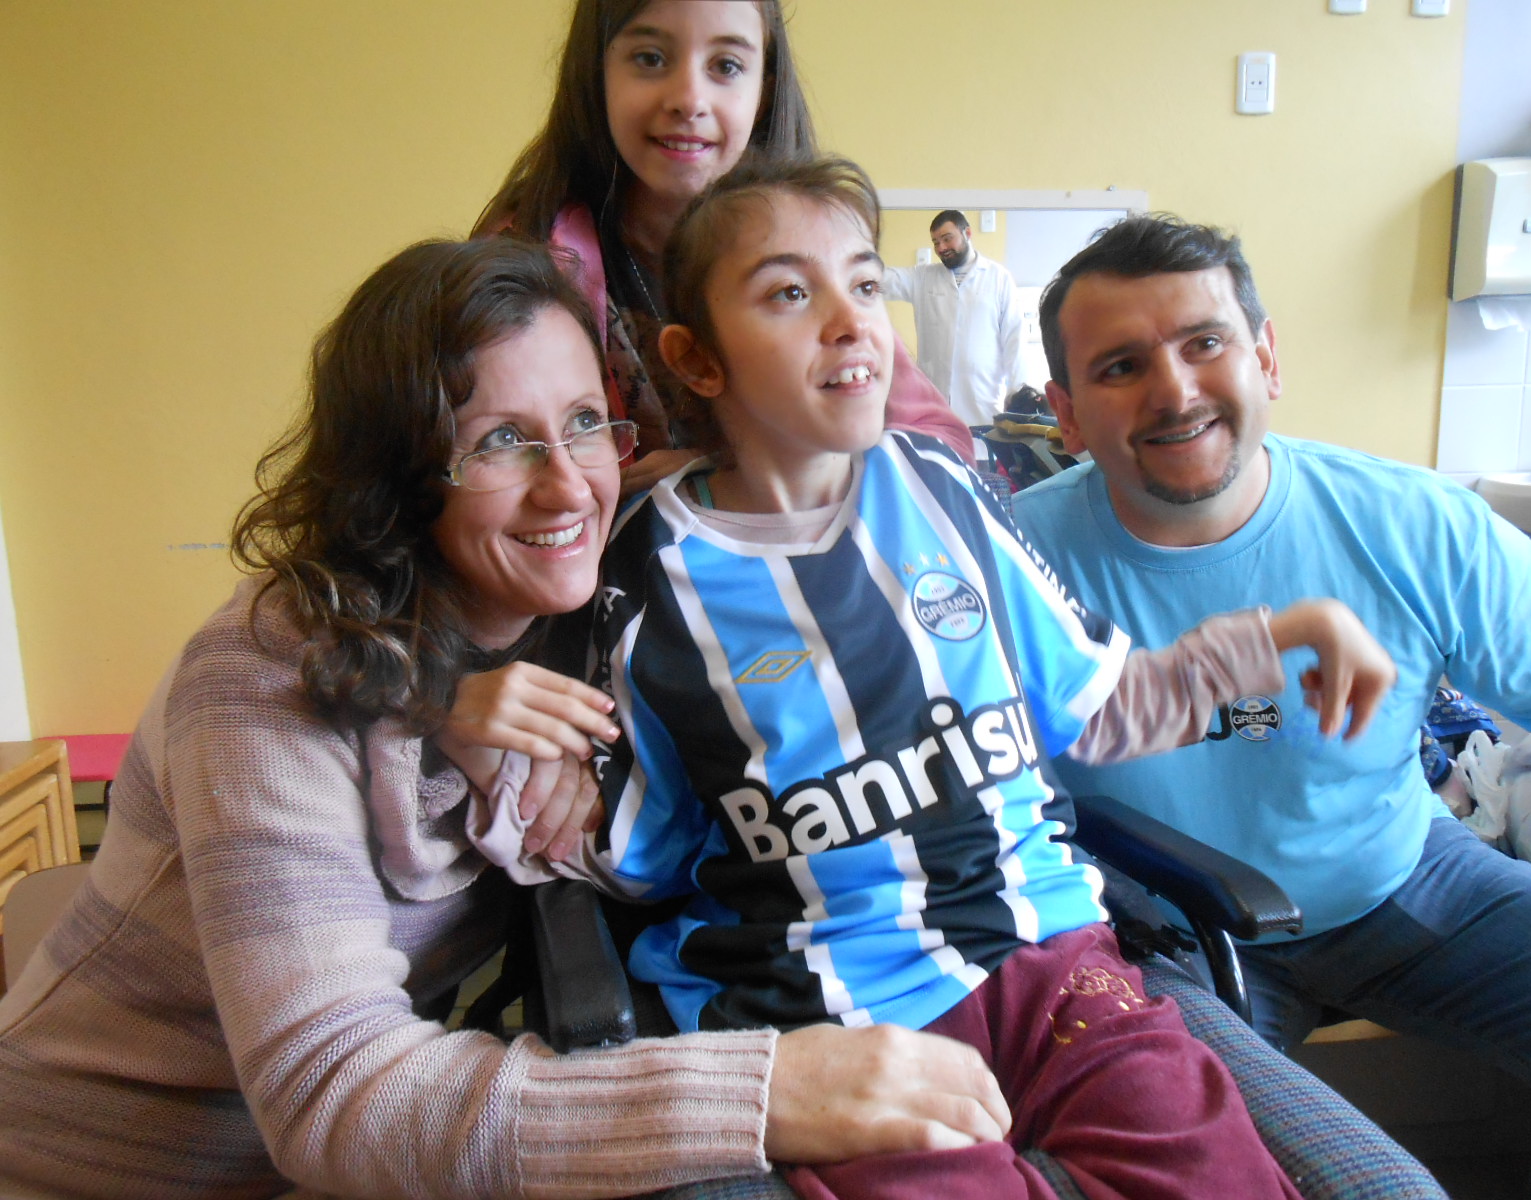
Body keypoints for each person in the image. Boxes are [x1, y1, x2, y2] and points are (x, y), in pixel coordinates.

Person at [0, 236, 1015, 1200]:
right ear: (397, 477)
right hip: (99, 1162)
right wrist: (767, 1090)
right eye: (498, 442)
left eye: (584, 421)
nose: (569, 484)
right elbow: (330, 1094)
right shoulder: (262, 678)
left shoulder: (587, 600)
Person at [477, 155, 1404, 1199]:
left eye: (866, 285)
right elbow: (638, 853)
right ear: (695, 360)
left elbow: (1105, 710)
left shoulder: (949, 489)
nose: (849, 320)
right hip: (825, 1008)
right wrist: (520, 776)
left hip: (1053, 957)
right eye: (791, 293)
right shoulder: (642, 573)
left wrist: (1284, 631)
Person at [1010, 212, 1531, 1200]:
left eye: (1205, 344)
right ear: (1066, 417)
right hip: (1161, 939)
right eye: (1119, 367)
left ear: (1266, 357)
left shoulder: (1412, 522)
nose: (1176, 390)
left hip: (1407, 878)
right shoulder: (1004, 564)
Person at [475, 0, 973, 493]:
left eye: (727, 66)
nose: (689, 100)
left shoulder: (817, 251)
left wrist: (733, 466)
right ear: (596, 71)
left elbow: (944, 446)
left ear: (764, 88)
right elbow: (481, 468)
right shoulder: (526, 256)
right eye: (650, 58)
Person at [883, 209, 1026, 428]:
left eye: (947, 239)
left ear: (967, 233)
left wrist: (1018, 390)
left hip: (982, 402)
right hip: (934, 402)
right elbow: (883, 280)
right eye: (935, 242)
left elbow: (1014, 337)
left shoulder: (999, 278)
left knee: (981, 456)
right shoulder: (923, 277)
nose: (941, 248)